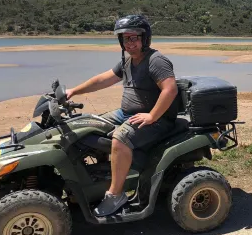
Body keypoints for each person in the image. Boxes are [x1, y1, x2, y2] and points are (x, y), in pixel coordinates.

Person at [65, 15, 179, 216]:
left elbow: (170, 90)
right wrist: (73, 91)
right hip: (125, 113)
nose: (130, 43)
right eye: (125, 39)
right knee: (88, 124)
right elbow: (102, 80)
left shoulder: (156, 61)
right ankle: (93, 180)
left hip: (158, 120)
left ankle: (115, 195)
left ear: (145, 38)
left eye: (134, 38)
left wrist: (152, 116)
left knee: (120, 138)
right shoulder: (127, 61)